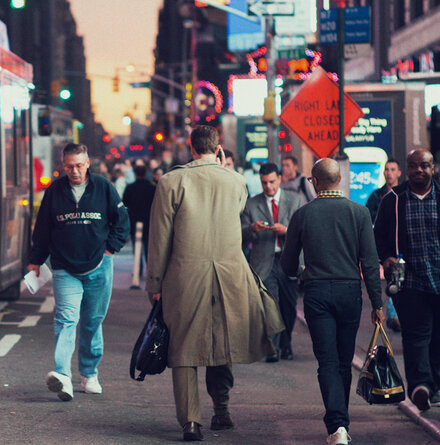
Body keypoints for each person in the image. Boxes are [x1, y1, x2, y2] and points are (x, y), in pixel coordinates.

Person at [146, 125, 277, 442]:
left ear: (190, 148)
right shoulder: (236, 181)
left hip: (185, 276)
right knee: (222, 344)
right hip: (229, 276)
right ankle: (221, 410)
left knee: (184, 348)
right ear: (218, 149)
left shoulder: (171, 182)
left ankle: (191, 421)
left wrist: (155, 283)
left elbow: (160, 238)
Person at [281, 158, 384, 445]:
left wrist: (301, 271)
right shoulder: (360, 213)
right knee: (343, 360)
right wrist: (377, 304)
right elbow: (369, 263)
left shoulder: (302, 215)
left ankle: (337, 425)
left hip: (317, 294)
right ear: (339, 180)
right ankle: (341, 423)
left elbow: (287, 264)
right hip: (349, 293)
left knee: (326, 361)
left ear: (315, 182)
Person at [27, 143, 130, 402]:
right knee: (66, 320)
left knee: (92, 321)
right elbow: (42, 229)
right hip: (64, 267)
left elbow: (122, 222)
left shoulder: (104, 188)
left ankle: (89, 373)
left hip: (99, 266)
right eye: (69, 166)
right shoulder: (54, 191)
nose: (74, 171)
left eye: (79, 165)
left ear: (88, 164)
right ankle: (63, 375)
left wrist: (110, 250)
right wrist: (35, 260)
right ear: (63, 166)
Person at [373, 148, 440, 412]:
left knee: (437, 336)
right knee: (415, 335)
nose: (418, 170)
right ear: (407, 169)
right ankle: (420, 386)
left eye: (424, 165)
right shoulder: (393, 200)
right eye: (413, 165)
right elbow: (378, 236)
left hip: (438, 278)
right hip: (409, 281)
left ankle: (435, 385)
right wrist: (386, 258)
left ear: (432, 167)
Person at [241, 163, 301, 362]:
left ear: (280, 179)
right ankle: (272, 348)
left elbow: (304, 231)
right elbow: (240, 233)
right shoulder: (252, 204)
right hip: (264, 262)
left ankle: (286, 344)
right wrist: (252, 229)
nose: (268, 186)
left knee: (289, 306)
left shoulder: (294, 200)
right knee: (270, 304)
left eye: (272, 182)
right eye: (264, 183)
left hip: (287, 260)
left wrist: (287, 231)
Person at [366, 159, 403, 332]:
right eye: (387, 169)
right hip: (386, 247)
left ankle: (396, 315)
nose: (389, 173)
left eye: (392, 169)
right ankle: (394, 315)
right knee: (392, 280)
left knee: (398, 281)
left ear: (399, 173)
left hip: (400, 245)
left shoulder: (403, 194)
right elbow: (368, 219)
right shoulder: (377, 195)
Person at [122, 164, 156, 270]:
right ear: (145, 173)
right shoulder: (152, 187)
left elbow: (125, 204)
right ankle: (149, 269)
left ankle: (138, 269)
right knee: (148, 246)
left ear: (135, 173)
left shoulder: (130, 187)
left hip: (134, 220)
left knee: (136, 246)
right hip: (148, 220)